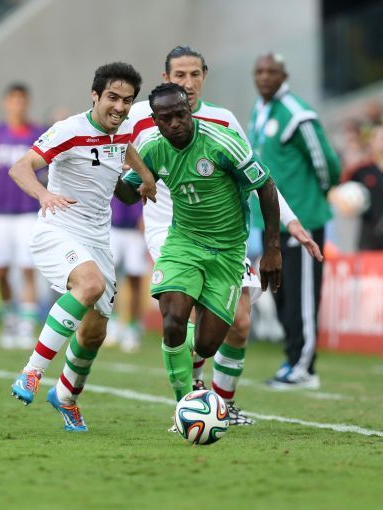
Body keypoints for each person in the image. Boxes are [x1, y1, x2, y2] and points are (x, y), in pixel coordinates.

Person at [128, 46, 319, 424]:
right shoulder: (139, 115)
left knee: (239, 321)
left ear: (204, 75)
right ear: (166, 79)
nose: (188, 82)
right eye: (179, 75)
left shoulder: (223, 121)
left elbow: (257, 176)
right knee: (179, 313)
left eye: (194, 74)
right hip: (171, 230)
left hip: (226, 236)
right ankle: (191, 398)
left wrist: (290, 221)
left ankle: (221, 403)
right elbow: (110, 147)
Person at [7, 62, 156, 432]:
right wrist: (43, 194)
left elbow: (124, 148)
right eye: (112, 98)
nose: (119, 107)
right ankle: (32, 372)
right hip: (58, 229)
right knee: (90, 285)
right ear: (95, 95)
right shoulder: (68, 130)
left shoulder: (122, 130)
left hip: (97, 240)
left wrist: (146, 176)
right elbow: (20, 167)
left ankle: (65, 396)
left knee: (94, 334)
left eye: (127, 100)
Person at [118, 82, 283, 416]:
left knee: (206, 344)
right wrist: (115, 170)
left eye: (181, 114)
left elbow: (265, 186)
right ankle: (185, 404)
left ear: (190, 110)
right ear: (155, 121)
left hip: (228, 252)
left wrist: (272, 249)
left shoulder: (221, 142)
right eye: (166, 118)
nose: (175, 123)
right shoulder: (152, 148)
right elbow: (127, 195)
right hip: (183, 244)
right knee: (173, 320)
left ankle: (202, 380)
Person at [248, 53, 340, 389]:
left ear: (284, 76)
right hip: (271, 221)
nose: (264, 77)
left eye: (271, 71)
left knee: (302, 297)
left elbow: (325, 161)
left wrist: (315, 197)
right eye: (259, 71)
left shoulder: (296, 113)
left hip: (303, 219)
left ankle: (304, 368)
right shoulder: (261, 110)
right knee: (282, 294)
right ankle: (292, 360)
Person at [0, 84, 46, 349]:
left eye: (22, 100)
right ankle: (9, 319)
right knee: (1, 270)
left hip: (28, 211)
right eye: (13, 100)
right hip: (1, 213)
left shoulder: (38, 134)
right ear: (6, 103)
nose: (18, 105)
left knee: (27, 268)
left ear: (28, 103)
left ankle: (26, 324)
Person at [105, 197, 147, 353]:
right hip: (113, 227)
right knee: (110, 280)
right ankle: (112, 325)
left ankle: (132, 328)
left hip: (136, 231)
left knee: (135, 282)